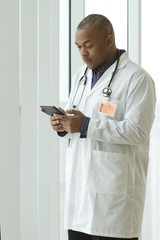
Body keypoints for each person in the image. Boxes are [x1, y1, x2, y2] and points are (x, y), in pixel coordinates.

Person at [47, 14, 156, 240]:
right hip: (79, 202)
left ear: (108, 41)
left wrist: (86, 124)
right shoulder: (81, 76)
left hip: (114, 204)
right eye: (78, 47)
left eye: (88, 45)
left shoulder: (137, 79)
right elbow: (75, 116)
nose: (83, 53)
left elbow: (139, 132)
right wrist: (63, 124)